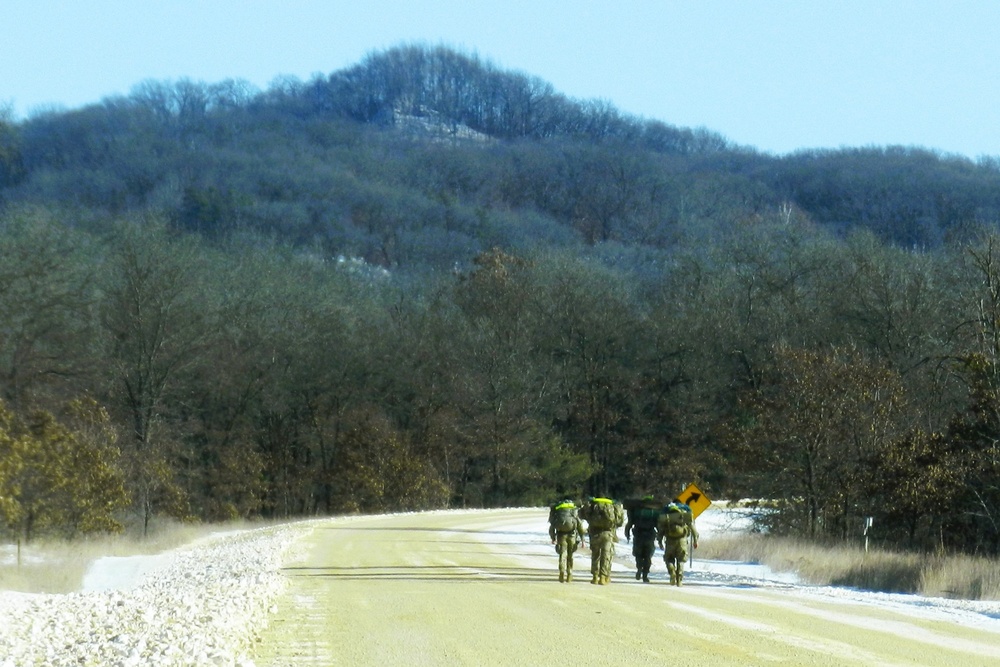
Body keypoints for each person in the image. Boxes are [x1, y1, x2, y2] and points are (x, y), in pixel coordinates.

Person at [579, 495, 624, 585]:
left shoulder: (593, 505)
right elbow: (619, 522)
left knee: (595, 555)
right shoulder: (611, 506)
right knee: (606, 555)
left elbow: (581, 515)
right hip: (608, 533)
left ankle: (595, 577)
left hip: (594, 533)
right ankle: (604, 577)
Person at [657, 501, 698, 586]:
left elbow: (661, 531)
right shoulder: (684, 514)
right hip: (682, 540)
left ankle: (672, 571)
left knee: (668, 559)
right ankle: (679, 579)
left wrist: (660, 541)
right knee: (681, 560)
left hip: (670, 540)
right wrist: (695, 540)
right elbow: (693, 529)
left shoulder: (667, 514)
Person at [548, 499, 586, 582]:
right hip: (572, 536)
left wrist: (553, 538)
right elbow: (579, 526)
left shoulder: (558, 512)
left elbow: (552, 527)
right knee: (570, 555)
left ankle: (561, 571)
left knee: (562, 554)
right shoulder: (574, 511)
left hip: (561, 535)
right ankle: (569, 573)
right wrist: (583, 540)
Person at [624, 494, 660, 583]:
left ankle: (639, 568)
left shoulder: (636, 510)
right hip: (650, 536)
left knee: (638, 555)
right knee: (648, 556)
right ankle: (645, 575)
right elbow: (658, 526)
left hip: (638, 536)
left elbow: (629, 523)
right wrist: (660, 537)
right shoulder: (654, 512)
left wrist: (627, 534)